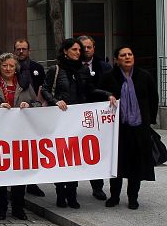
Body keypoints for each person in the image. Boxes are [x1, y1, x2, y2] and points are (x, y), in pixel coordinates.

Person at [42, 38, 115, 209]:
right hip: (60, 120)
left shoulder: (82, 69)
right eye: (74, 49)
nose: (77, 53)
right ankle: (61, 194)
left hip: (77, 121)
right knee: (61, 158)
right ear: (65, 51)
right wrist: (55, 101)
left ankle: (72, 195)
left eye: (79, 50)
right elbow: (45, 89)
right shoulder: (56, 69)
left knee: (74, 158)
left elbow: (90, 90)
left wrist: (107, 95)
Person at [0, 53, 41, 220]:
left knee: (19, 173)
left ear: (16, 68)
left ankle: (18, 207)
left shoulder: (25, 83)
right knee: (0, 173)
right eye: (5, 66)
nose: (8, 69)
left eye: (11, 66)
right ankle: (1, 207)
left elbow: (37, 103)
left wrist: (28, 104)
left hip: (21, 135)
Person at [99, 46, 158, 210]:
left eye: (130, 54)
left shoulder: (144, 76)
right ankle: (114, 196)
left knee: (136, 165)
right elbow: (97, 93)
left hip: (139, 128)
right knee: (117, 165)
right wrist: (107, 95)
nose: (127, 57)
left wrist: (149, 120)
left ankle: (133, 197)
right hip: (118, 128)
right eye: (123, 55)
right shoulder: (108, 77)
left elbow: (153, 99)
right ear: (116, 59)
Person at [78, 35, 113, 201]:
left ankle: (97, 186)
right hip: (76, 115)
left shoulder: (105, 67)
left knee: (96, 150)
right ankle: (71, 189)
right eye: (82, 47)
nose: (86, 50)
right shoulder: (71, 66)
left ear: (94, 48)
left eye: (89, 47)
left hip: (99, 115)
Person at [12, 38, 47, 197]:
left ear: (29, 50)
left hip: (33, 112)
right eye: (18, 49)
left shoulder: (37, 68)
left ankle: (32, 183)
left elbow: (42, 89)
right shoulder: (11, 67)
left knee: (32, 149)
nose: (21, 52)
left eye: (24, 49)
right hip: (14, 114)